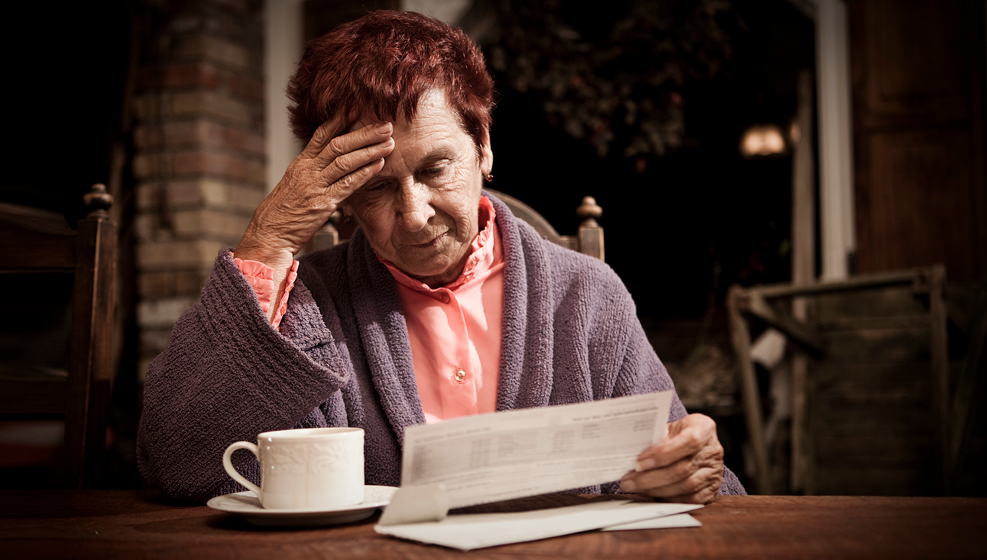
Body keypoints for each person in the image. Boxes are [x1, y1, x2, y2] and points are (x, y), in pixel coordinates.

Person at [137, 10, 745, 504]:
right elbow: (171, 461)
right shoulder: (302, 308)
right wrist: (269, 241)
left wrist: (693, 472)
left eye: (435, 169)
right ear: (340, 195)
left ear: (483, 148)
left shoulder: (587, 296)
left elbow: (689, 474)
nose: (413, 214)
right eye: (375, 186)